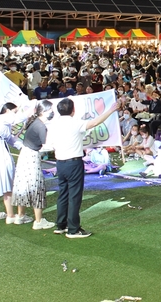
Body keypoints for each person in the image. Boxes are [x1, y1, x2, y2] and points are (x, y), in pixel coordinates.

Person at [45, 97, 119, 238]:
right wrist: (111, 110)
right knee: (74, 196)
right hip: (73, 162)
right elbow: (95, 122)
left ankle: (61, 225)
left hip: (60, 162)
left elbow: (50, 144)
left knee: (63, 193)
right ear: (73, 110)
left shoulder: (54, 125)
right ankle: (73, 229)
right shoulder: (75, 123)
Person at [11, 100, 56, 230]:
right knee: (36, 186)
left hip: (25, 155)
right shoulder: (41, 126)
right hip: (32, 156)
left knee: (22, 185)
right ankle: (38, 220)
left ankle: (20, 215)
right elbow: (45, 145)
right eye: (51, 110)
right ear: (45, 111)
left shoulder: (33, 122)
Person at [0, 102, 28, 223]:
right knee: (6, 181)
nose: (15, 113)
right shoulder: (2, 118)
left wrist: (22, 146)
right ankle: (10, 215)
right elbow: (17, 119)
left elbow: (10, 138)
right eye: (14, 111)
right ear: (7, 110)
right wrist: (30, 110)